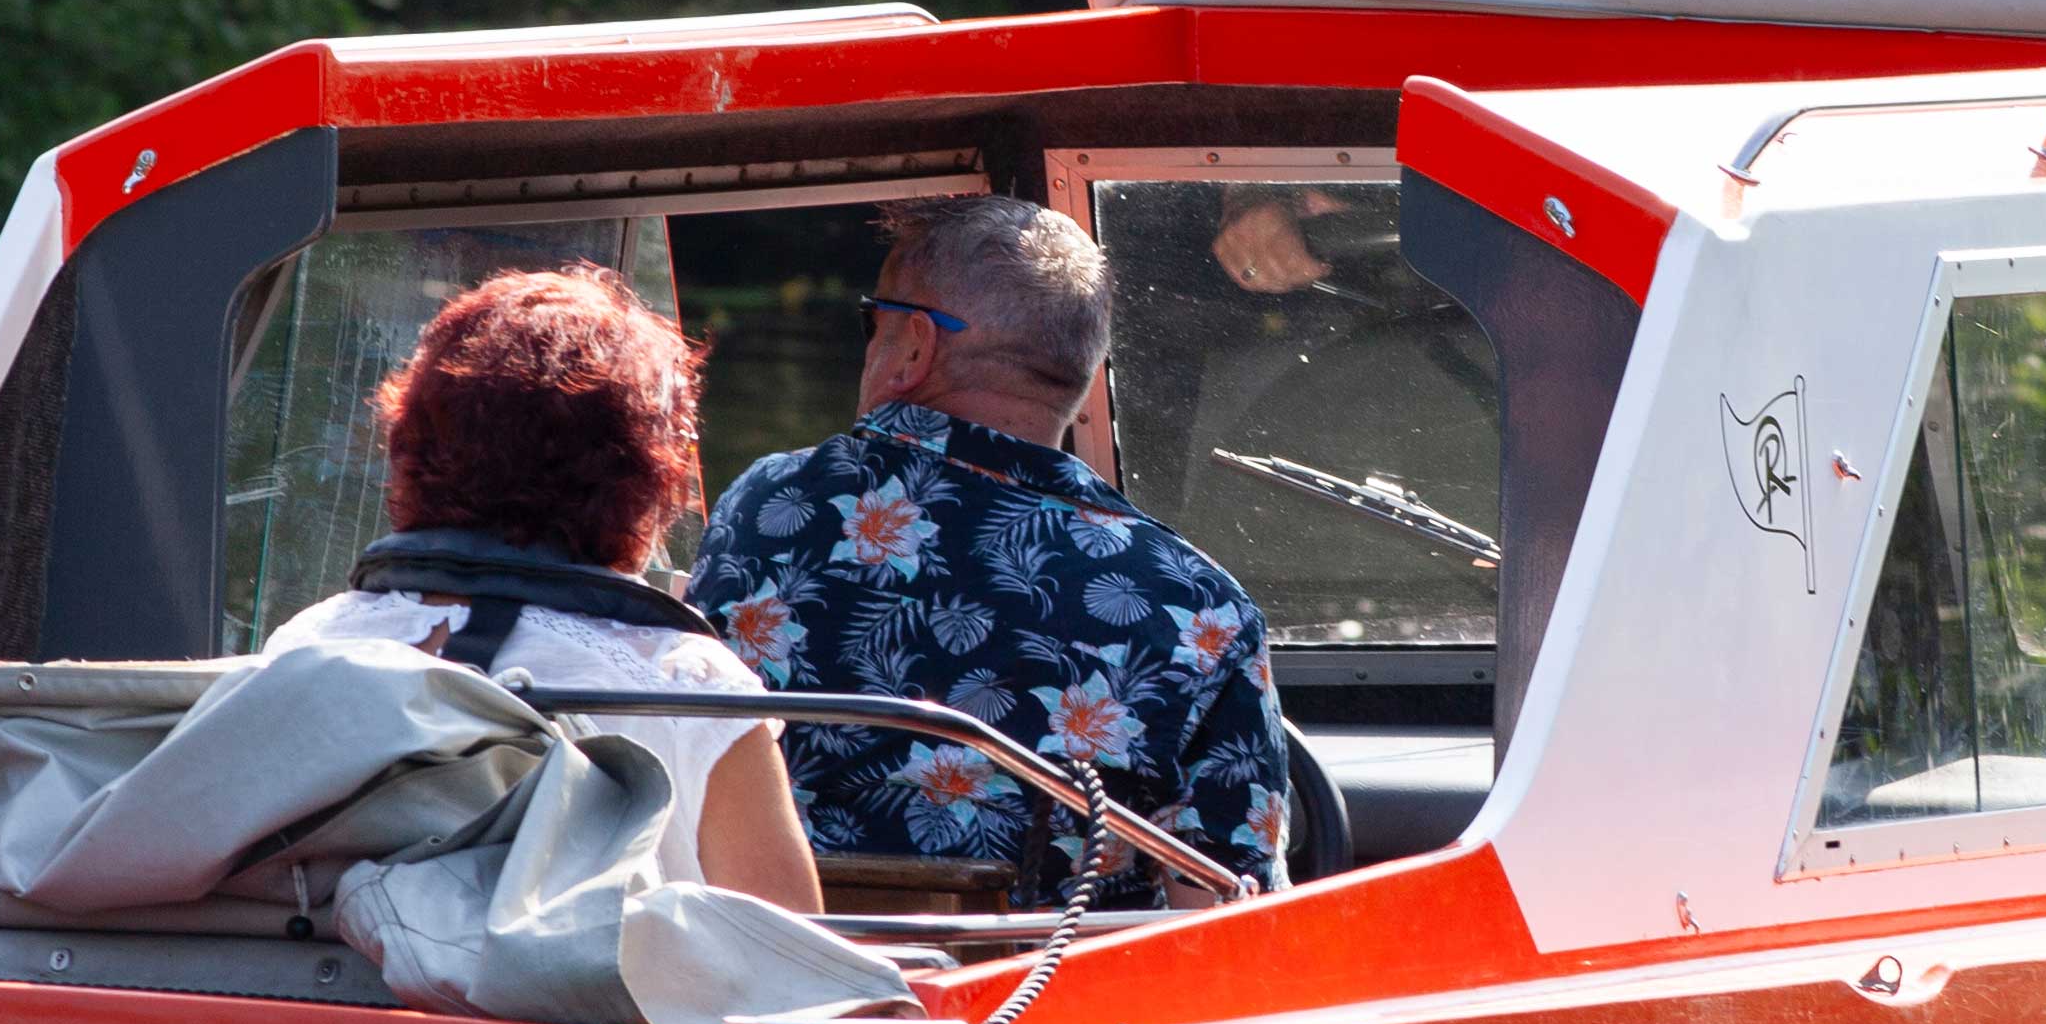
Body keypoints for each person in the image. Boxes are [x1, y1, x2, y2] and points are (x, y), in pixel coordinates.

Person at [687, 195, 1296, 899]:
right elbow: (1230, 909)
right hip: (1054, 1001)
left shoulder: (765, 505)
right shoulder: (1200, 606)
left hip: (778, 977)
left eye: (871, 322)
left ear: (915, 345)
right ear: (1083, 374)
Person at [277, 268, 823, 912]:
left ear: (415, 445)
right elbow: (791, 958)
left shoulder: (309, 642)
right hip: (586, 1008)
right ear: (642, 473)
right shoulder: (691, 686)